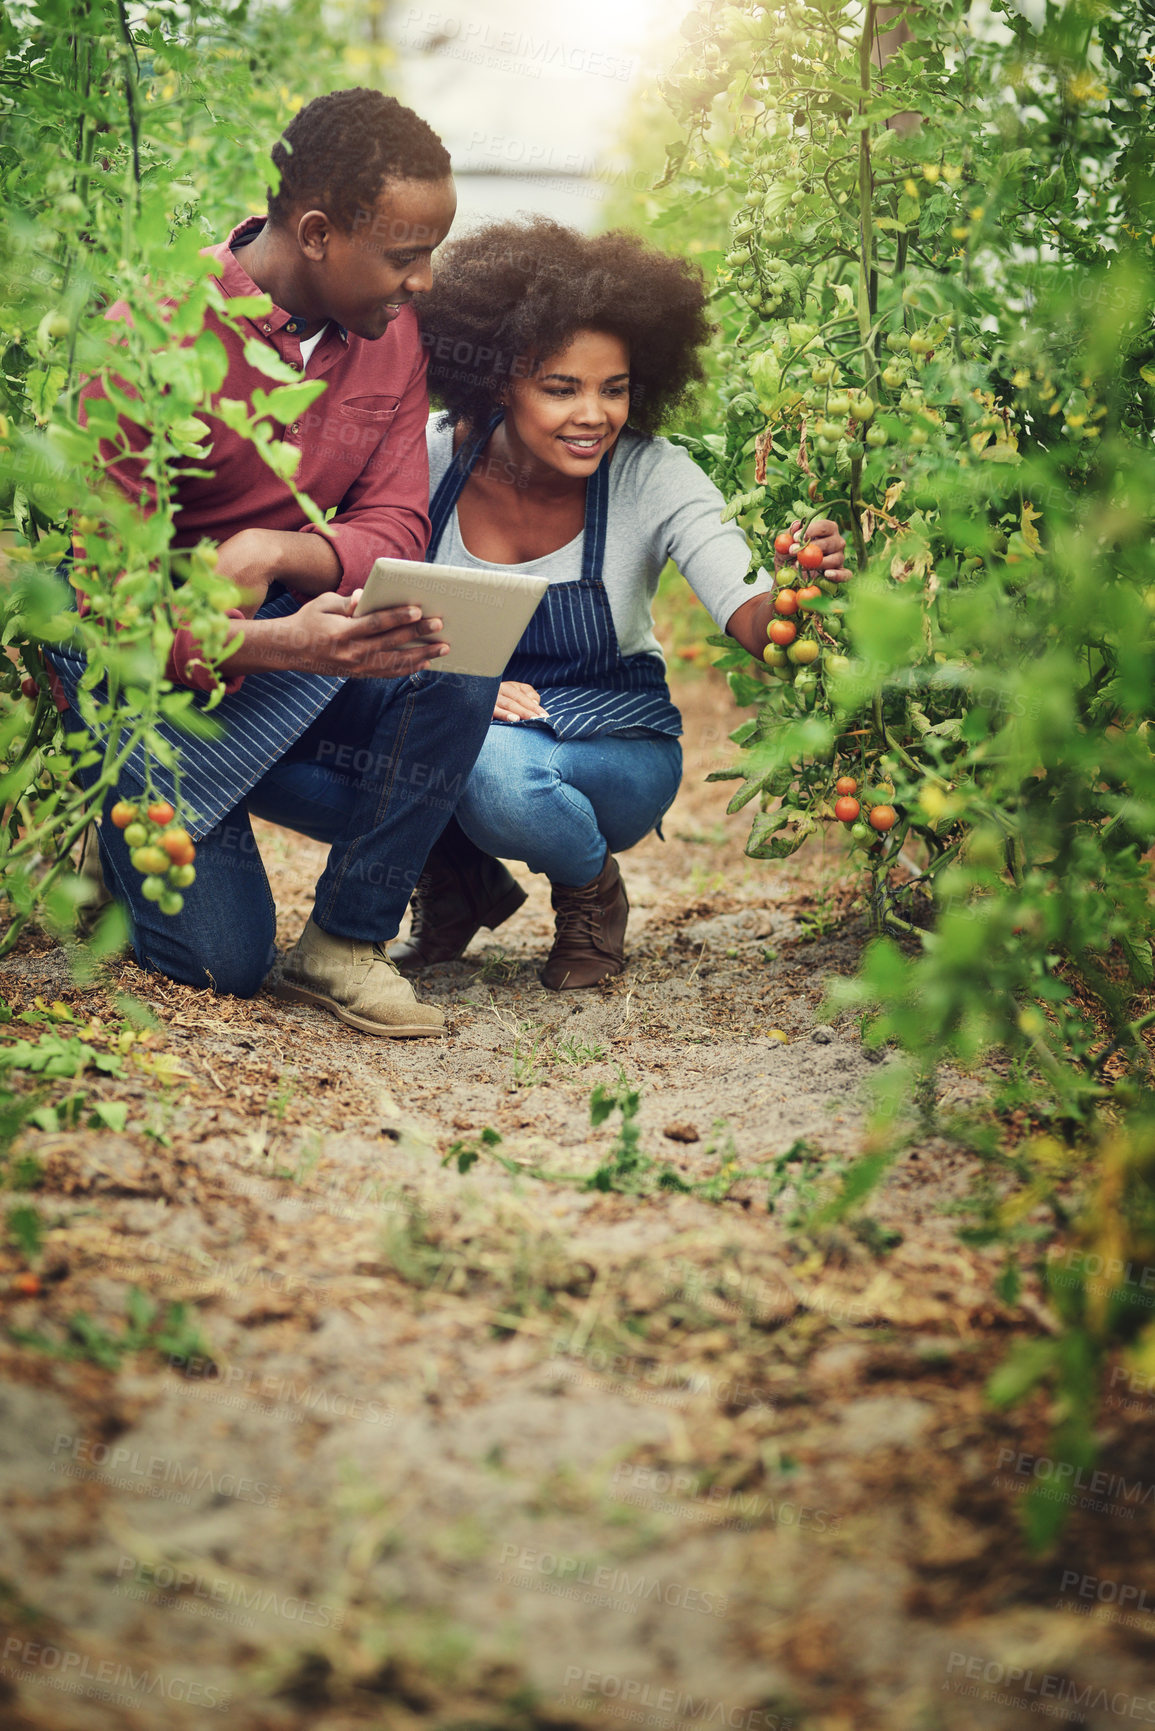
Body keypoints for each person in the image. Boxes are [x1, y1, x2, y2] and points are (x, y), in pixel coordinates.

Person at [48, 87, 498, 1038]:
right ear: (320, 232)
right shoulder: (152, 337)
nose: (423, 282)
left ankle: (344, 939)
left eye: (433, 255)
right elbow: (114, 617)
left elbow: (395, 524)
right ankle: (125, 822)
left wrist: (275, 550)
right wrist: (280, 644)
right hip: (153, 667)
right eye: (406, 257)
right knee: (222, 963)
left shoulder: (392, 335)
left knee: (451, 653)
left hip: (279, 625)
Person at [390, 217, 849, 989]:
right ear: (500, 379)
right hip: (455, 721)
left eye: (614, 388)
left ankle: (591, 893)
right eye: (560, 388)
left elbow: (753, 619)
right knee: (388, 730)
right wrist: (459, 687)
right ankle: (457, 877)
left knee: (496, 769)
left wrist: (796, 589)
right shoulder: (431, 456)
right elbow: (359, 602)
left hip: (613, 747)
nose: (593, 415)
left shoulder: (651, 475)